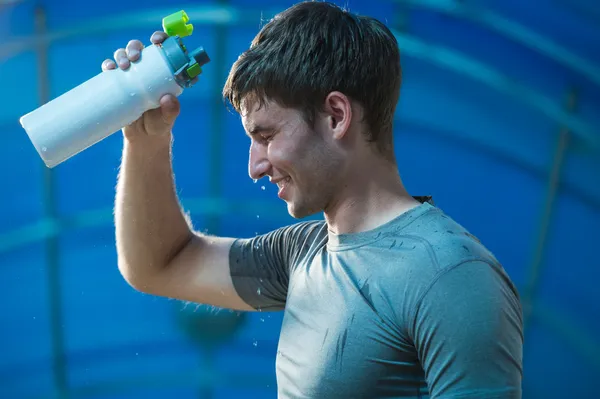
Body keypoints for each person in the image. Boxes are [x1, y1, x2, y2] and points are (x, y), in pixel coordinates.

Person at [104, 1, 524, 398]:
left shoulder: (451, 276)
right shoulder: (301, 252)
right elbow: (158, 264)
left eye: (266, 136)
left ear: (337, 116)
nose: (255, 167)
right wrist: (146, 140)